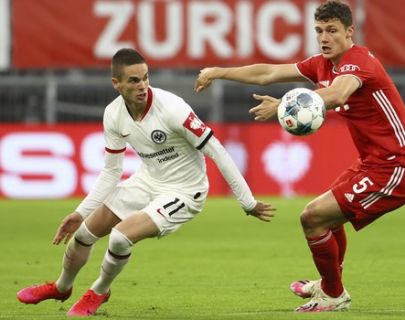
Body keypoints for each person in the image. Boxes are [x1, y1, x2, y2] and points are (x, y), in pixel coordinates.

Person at [195, 0, 405, 313]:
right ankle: (329, 285)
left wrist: (286, 104)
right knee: (326, 217)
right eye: (319, 31)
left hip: (396, 167)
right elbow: (269, 72)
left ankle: (333, 294)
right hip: (372, 163)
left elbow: (339, 93)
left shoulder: (359, 61)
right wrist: (219, 72)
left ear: (349, 32)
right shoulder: (321, 64)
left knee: (312, 217)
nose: (324, 37)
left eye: (332, 30)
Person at [17, 48, 275, 317]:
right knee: (83, 233)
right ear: (116, 84)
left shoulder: (172, 109)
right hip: (147, 179)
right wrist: (80, 212)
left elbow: (217, 151)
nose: (142, 86)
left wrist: (247, 201)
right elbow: (111, 172)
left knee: (119, 238)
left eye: (145, 78)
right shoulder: (113, 114)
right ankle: (61, 287)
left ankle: (99, 291)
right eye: (133, 80)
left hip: (185, 192)